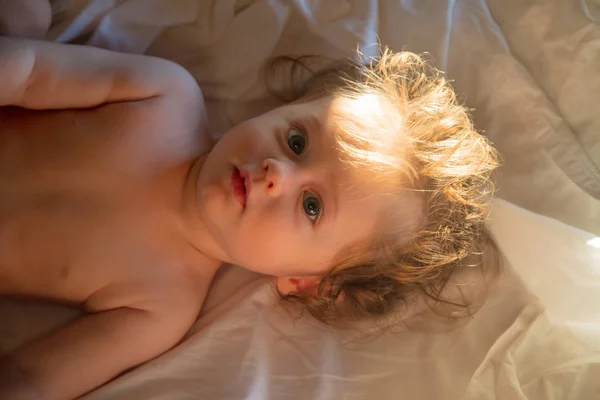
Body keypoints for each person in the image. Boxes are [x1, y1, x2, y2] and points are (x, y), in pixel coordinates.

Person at [0, 27, 498, 400]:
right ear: (291, 107)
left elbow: (33, 379)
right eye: (298, 141)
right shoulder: (163, 96)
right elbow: (28, 72)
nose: (276, 172)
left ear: (305, 280)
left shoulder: (159, 307)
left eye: (311, 206)